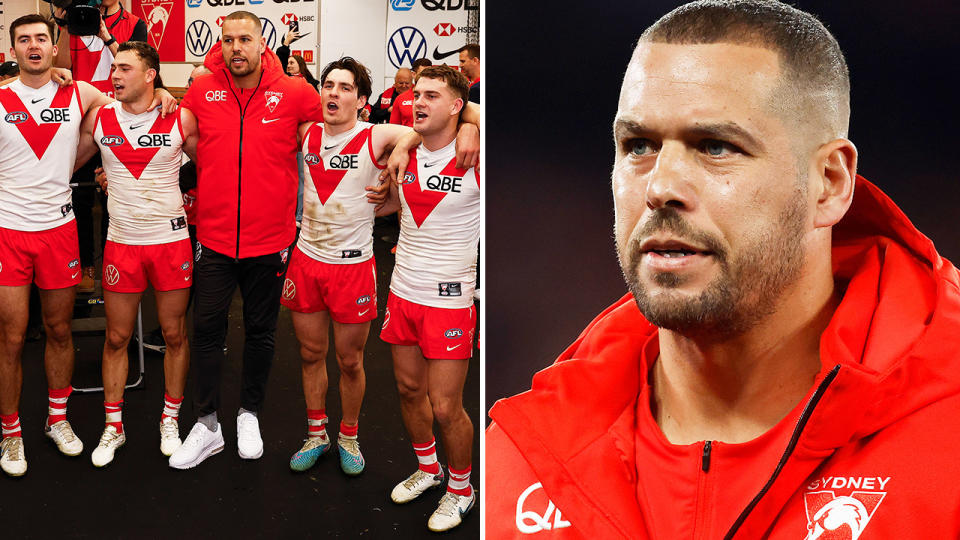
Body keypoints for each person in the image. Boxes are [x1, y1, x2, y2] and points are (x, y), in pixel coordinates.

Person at [485, 1, 960, 538]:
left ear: (829, 182)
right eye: (638, 146)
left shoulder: (948, 439)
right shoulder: (520, 463)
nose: (660, 187)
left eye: (715, 146)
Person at [284, 57, 479, 478]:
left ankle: (349, 436)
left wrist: (467, 124)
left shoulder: (380, 136)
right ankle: (317, 434)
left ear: (363, 99)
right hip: (306, 260)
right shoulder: (306, 133)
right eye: (328, 85)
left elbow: (430, 128)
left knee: (350, 361)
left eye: (345, 87)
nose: (334, 93)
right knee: (309, 353)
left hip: (354, 267)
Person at [0, 14, 173, 477]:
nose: (34, 46)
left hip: (59, 230)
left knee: (59, 330)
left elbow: (134, 96)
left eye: (42, 38)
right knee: (12, 338)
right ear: (12, 48)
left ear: (56, 47)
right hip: (8, 232)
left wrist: (161, 92)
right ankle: (11, 432)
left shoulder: (80, 93)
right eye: (24, 40)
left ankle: (58, 419)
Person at [168, 10, 324, 470]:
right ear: (221, 44)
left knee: (261, 333)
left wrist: (472, 119)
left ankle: (249, 413)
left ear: (262, 44)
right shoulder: (201, 89)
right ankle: (207, 424)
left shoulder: (296, 93)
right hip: (214, 237)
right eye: (229, 40)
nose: (237, 48)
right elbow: (188, 135)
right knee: (206, 329)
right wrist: (160, 90)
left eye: (246, 39)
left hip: (270, 239)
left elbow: (333, 137)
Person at [75, 41, 198, 467]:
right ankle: (114, 426)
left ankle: (170, 417)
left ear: (150, 74)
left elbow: (216, 166)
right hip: (121, 242)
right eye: (114, 68)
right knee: (115, 337)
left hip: (170, 242)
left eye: (125, 68)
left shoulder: (179, 116)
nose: (116, 74)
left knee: (176, 334)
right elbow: (61, 159)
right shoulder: (101, 117)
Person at [379, 65, 480, 533]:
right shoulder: (405, 151)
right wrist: (404, 142)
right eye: (416, 94)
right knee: (406, 390)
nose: (418, 102)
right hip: (402, 291)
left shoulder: (477, 154)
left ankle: (462, 489)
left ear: (456, 106)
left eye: (432, 96)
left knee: (446, 405)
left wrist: (473, 124)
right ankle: (429, 469)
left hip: (450, 299)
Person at [54, 0, 148, 293]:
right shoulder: (74, 19)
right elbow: (60, 67)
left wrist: (106, 36)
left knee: (116, 195)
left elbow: (138, 68)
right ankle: (85, 266)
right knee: (77, 197)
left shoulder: (134, 22)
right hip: (80, 118)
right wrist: (63, 23)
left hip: (119, 117)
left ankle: (113, 264)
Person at [389, 58, 431, 127]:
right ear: (413, 74)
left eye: (430, 74)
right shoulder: (401, 99)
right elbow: (393, 128)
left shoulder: (437, 98)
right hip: (406, 136)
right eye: (422, 74)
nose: (427, 77)